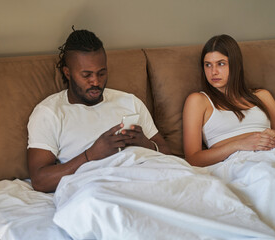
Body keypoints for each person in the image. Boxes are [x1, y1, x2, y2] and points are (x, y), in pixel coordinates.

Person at [27, 29, 170, 193]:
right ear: (68, 73)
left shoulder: (130, 101)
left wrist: (146, 144)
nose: (96, 81)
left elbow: (167, 153)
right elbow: (40, 181)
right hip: (101, 187)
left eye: (101, 73)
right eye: (86, 75)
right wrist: (92, 155)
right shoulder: (49, 113)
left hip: (150, 179)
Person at [183, 34, 275, 167]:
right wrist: (240, 144)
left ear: (236, 65)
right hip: (242, 163)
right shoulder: (198, 101)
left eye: (221, 64)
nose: (214, 72)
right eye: (208, 65)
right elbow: (193, 159)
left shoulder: (262, 96)